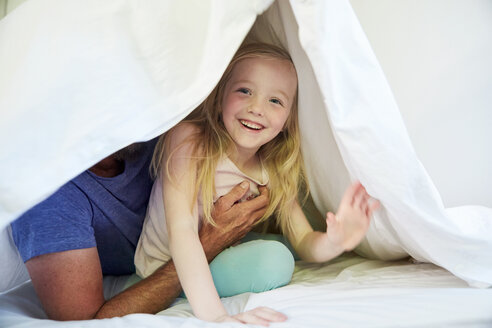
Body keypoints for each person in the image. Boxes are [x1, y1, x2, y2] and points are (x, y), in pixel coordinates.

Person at [135, 42, 380, 325]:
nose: (256, 108)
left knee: (282, 247)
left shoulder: (272, 169)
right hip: (163, 269)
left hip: (215, 258)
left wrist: (334, 241)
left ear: (288, 119)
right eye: (245, 91)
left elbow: (303, 240)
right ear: (219, 98)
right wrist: (216, 316)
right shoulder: (190, 139)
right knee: (275, 258)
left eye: (275, 101)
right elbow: (183, 229)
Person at [10, 139, 279, 321]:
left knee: (279, 253)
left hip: (191, 245)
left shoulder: (154, 130)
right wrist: (208, 244)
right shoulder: (46, 193)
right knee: (272, 262)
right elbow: (87, 322)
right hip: (147, 272)